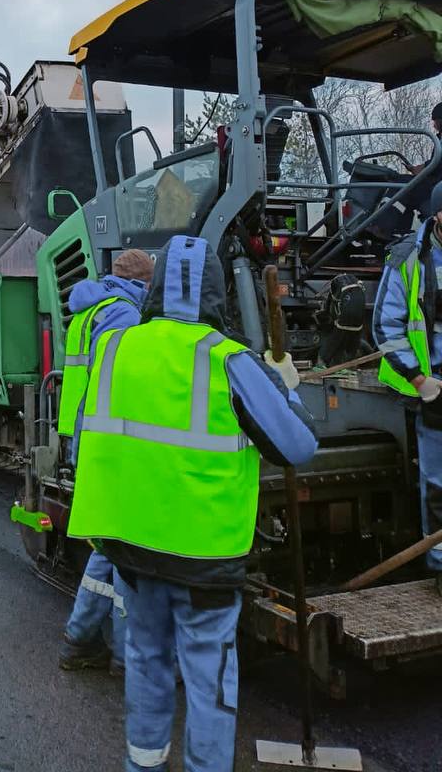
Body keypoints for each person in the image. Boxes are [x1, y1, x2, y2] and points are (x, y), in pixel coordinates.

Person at [69, 234, 317, 772]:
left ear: (154, 289)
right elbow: (297, 445)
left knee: (146, 662)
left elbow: (81, 442)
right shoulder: (228, 359)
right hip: (204, 557)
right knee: (208, 680)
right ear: (215, 291)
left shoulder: (116, 348)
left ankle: (144, 764)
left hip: (133, 547)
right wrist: (286, 386)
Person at [58, 248, 154, 675]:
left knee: (108, 547)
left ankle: (79, 640)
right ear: (143, 284)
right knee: (128, 552)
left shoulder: (88, 309)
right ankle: (126, 659)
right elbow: (124, 381)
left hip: (87, 438)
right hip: (111, 444)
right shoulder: (123, 315)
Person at [373, 179, 442, 590]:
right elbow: (386, 325)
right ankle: (439, 565)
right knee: (438, 484)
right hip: (434, 386)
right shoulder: (408, 259)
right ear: (437, 216)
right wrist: (419, 379)